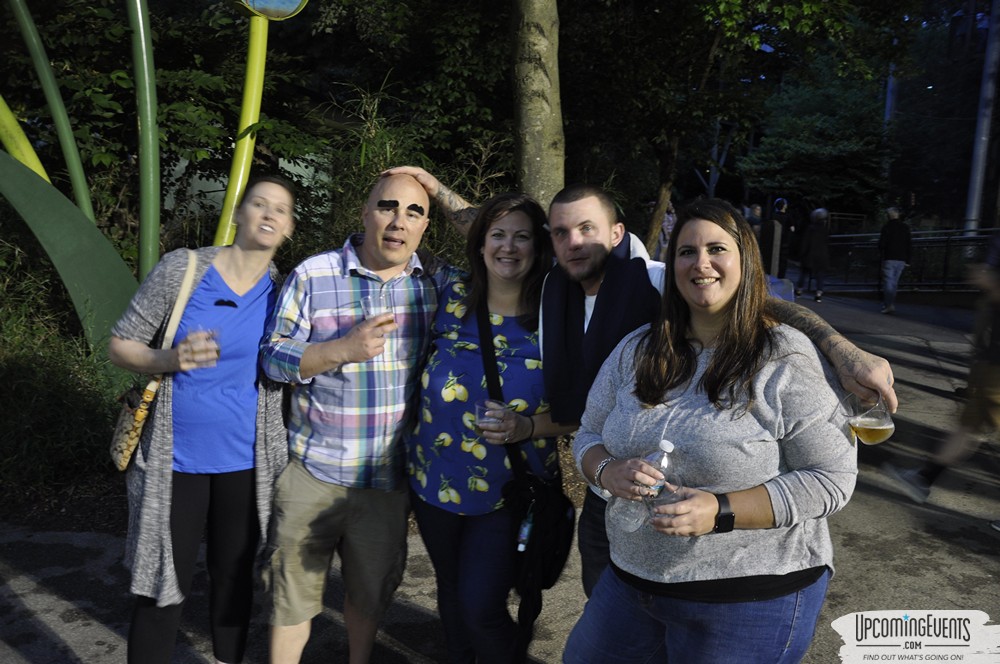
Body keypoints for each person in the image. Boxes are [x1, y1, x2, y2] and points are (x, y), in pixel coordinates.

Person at [382, 166, 897, 599]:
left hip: (692, 502)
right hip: (605, 487)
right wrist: (428, 186)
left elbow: (762, 302)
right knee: (608, 616)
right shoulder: (550, 285)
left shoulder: (654, 277)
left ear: (616, 232)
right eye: (560, 232)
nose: (573, 242)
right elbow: (486, 225)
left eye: (587, 228)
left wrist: (844, 351)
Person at [564, 198, 857, 663]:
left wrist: (721, 510)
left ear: (745, 261)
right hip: (631, 580)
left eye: (717, 249)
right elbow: (588, 434)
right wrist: (605, 471)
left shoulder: (784, 356)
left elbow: (831, 478)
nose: (701, 263)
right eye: (686, 251)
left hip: (747, 596)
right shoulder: (637, 347)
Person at [260, 174, 466, 664]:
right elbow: (272, 356)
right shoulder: (315, 274)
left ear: (425, 225)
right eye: (387, 207)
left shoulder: (437, 283)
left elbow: (502, 240)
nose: (399, 221)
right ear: (364, 212)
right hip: (312, 473)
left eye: (414, 212)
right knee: (292, 603)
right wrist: (338, 350)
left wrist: (437, 188)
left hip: (385, 482)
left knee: (368, 599)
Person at [107, 174, 295, 664]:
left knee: (234, 580)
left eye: (281, 208)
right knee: (160, 585)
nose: (269, 214)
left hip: (246, 461)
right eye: (259, 203)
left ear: (290, 227)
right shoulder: (184, 270)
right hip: (175, 461)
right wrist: (170, 359)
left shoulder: (284, 290)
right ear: (238, 213)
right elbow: (120, 345)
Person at [407, 192, 574, 663]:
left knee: (480, 607)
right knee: (451, 592)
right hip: (435, 479)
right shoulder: (451, 293)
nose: (508, 247)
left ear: (539, 248)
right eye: (497, 236)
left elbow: (586, 410)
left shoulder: (557, 313)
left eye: (522, 237)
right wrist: (424, 182)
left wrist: (527, 426)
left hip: (511, 492)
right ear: (479, 244)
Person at [883, 231, 1000, 534]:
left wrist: (988, 280)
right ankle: (923, 478)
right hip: (992, 360)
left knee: (971, 424)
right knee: (970, 425)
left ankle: (923, 478)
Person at [878, 206, 911, 314]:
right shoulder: (905, 227)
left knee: (888, 282)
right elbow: (909, 244)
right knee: (894, 283)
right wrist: (908, 260)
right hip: (901, 258)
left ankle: (888, 304)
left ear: (888, 216)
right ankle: (890, 303)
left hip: (889, 257)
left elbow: (882, 244)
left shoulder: (887, 227)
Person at [796, 207, 831, 302]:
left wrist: (801, 254)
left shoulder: (810, 228)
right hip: (821, 255)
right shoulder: (825, 230)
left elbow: (805, 242)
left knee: (804, 273)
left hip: (809, 254)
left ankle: (799, 290)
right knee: (820, 275)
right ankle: (818, 294)